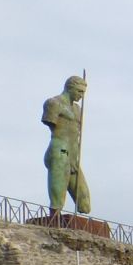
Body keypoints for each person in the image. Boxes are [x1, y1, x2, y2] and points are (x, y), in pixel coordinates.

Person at [41, 75, 91, 214]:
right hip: (59, 152)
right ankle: (54, 222)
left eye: (83, 93)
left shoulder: (78, 110)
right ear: (70, 88)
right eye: (79, 91)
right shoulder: (53, 103)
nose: (82, 96)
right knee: (57, 202)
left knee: (85, 204)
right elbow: (51, 123)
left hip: (73, 157)